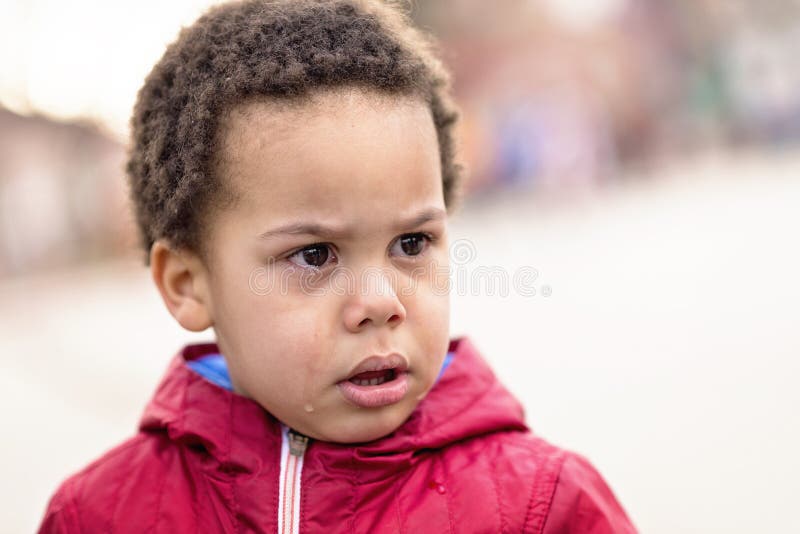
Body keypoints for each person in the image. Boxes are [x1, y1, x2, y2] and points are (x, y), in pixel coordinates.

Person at [38, 1, 637, 532]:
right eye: (315, 255)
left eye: (410, 243)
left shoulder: (543, 505)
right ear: (188, 284)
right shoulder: (97, 516)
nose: (381, 302)